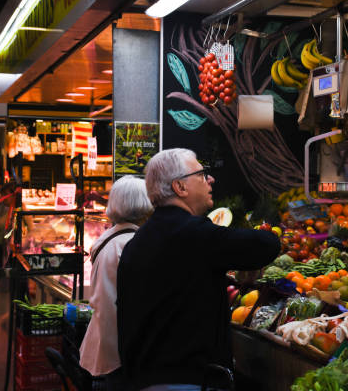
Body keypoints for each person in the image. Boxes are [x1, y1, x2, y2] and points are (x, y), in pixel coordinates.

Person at [116, 148, 281, 391]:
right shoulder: (193, 234)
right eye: (202, 175)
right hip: (187, 381)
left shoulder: (138, 241)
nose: (210, 179)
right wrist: (273, 233)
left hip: (144, 379)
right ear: (180, 187)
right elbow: (265, 246)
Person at [79, 176, 153, 391]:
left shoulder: (113, 239)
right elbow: (113, 305)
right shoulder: (128, 244)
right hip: (120, 355)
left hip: (109, 346)